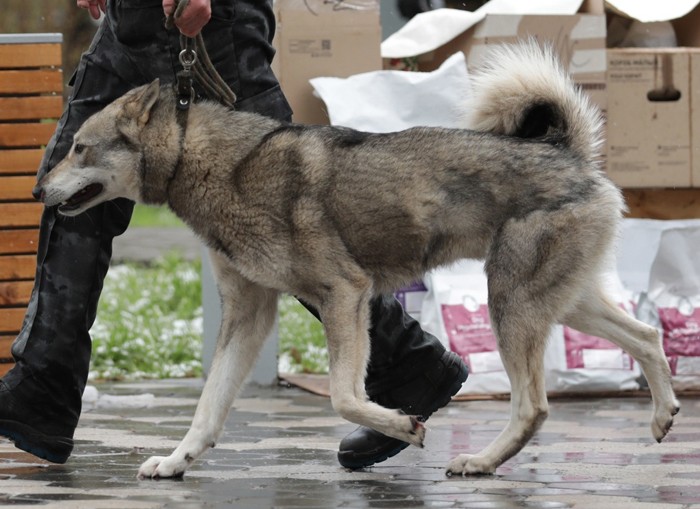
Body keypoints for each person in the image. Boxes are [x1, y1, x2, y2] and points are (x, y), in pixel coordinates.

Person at [0, 0, 467, 470]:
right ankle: (43, 388)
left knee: (286, 213)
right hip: (129, 18)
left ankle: (406, 363)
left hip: (207, 20)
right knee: (67, 190)